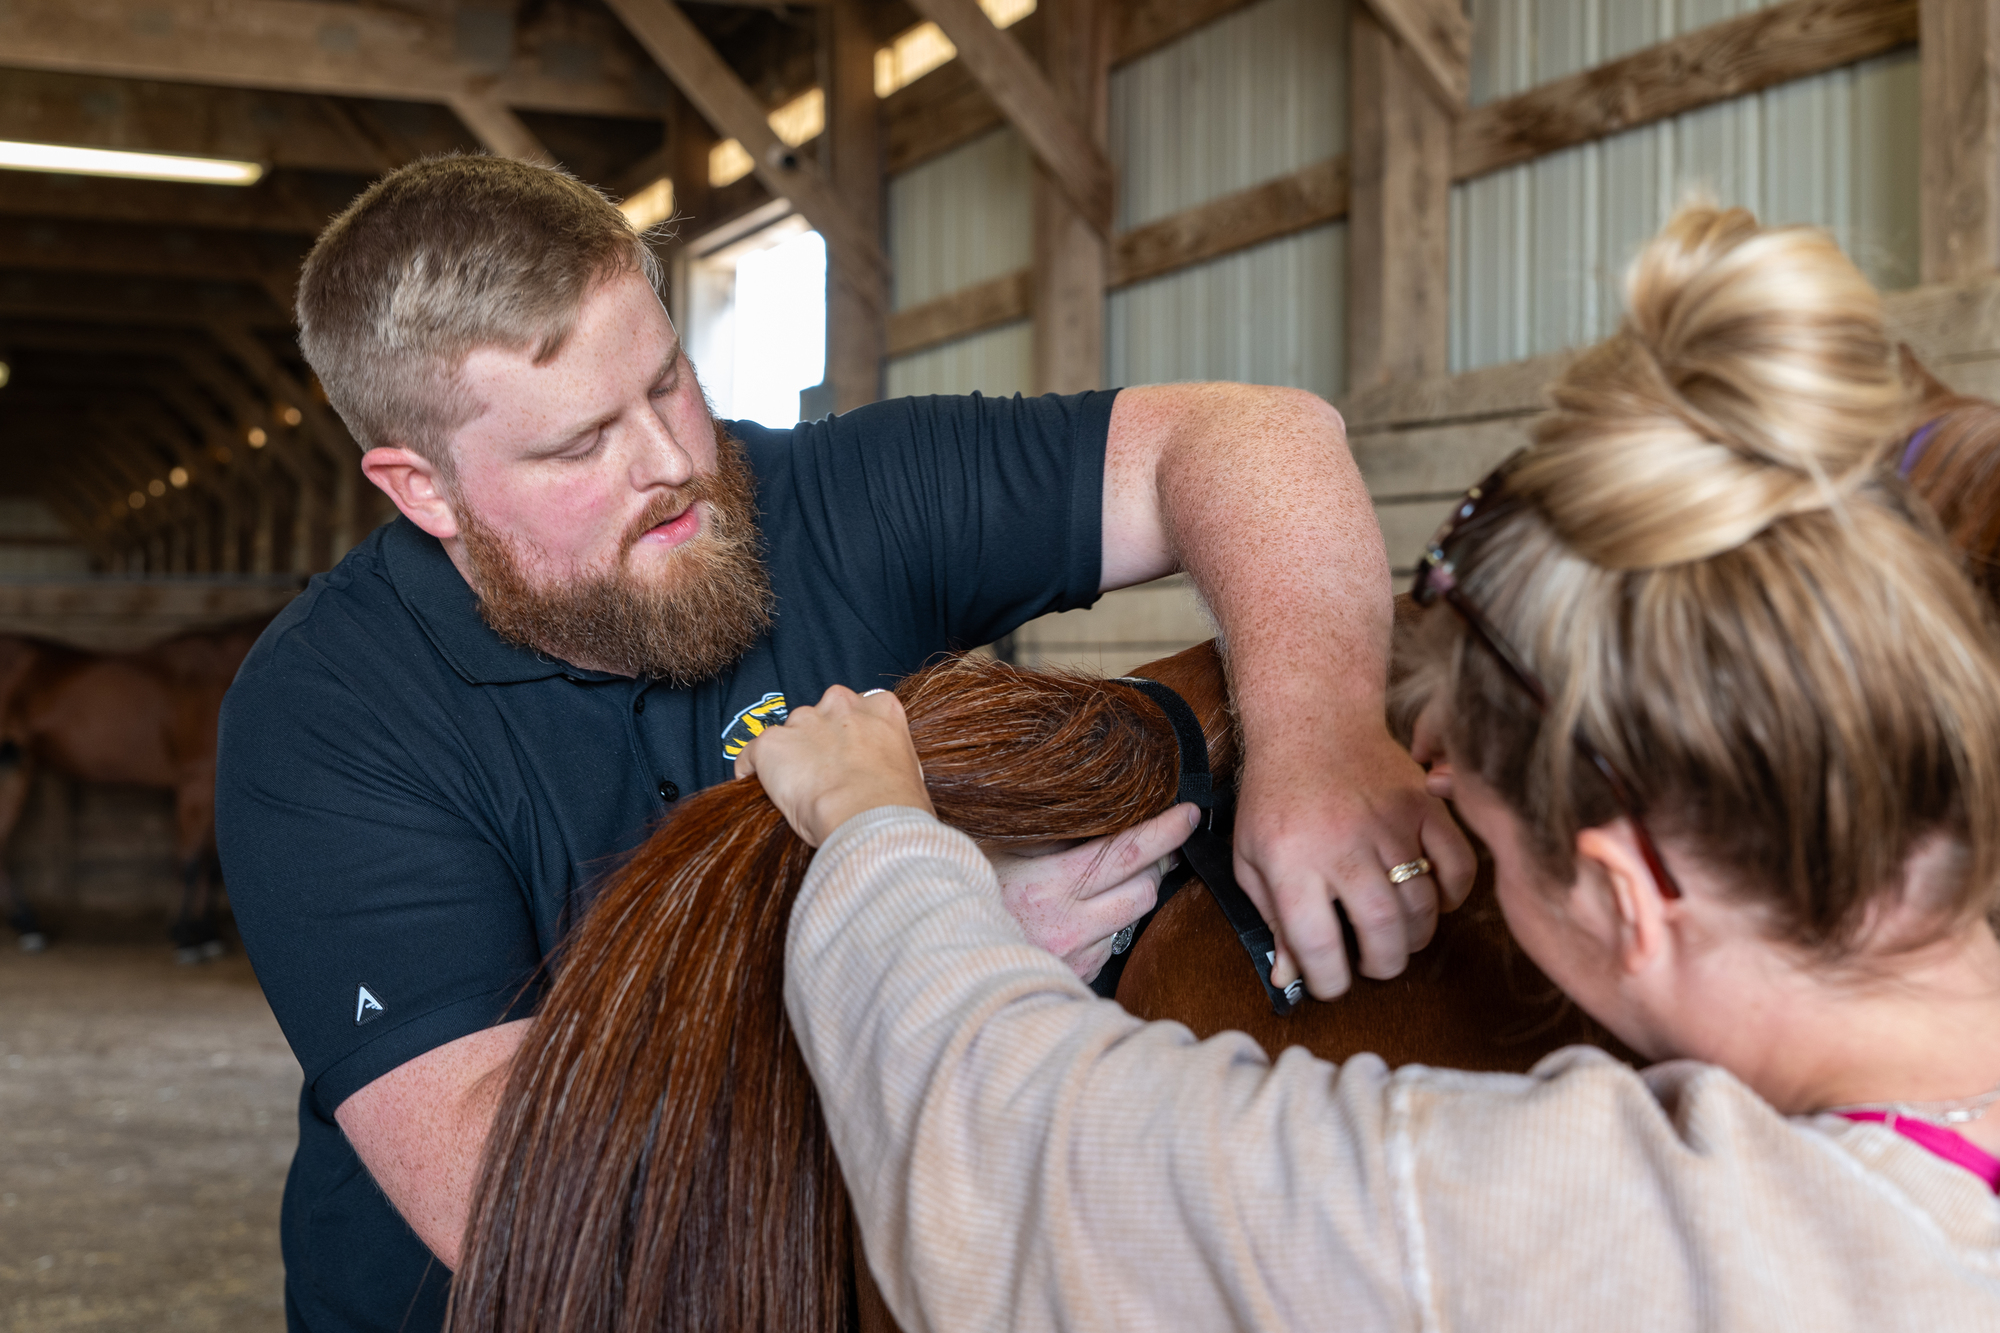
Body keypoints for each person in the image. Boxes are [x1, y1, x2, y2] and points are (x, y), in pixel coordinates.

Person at [214, 153, 1470, 1332]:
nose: (671, 463)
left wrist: (1318, 734)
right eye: (577, 443)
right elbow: (510, 1190)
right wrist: (931, 946)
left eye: (665, 381)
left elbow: (1255, 436)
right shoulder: (329, 716)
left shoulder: (828, 496)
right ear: (420, 488)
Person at [747, 206, 2000, 1330]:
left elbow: (1015, 1163)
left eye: (1483, 841)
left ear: (1626, 892)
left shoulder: (1588, 1238)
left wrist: (873, 822)